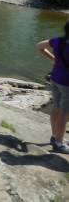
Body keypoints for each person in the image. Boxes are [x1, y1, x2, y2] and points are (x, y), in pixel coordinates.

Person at [35, 19, 69, 154]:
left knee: (56, 108)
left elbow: (39, 46)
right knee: (64, 114)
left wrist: (53, 58)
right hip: (67, 83)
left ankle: (55, 136)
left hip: (55, 78)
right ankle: (59, 144)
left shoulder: (58, 40)